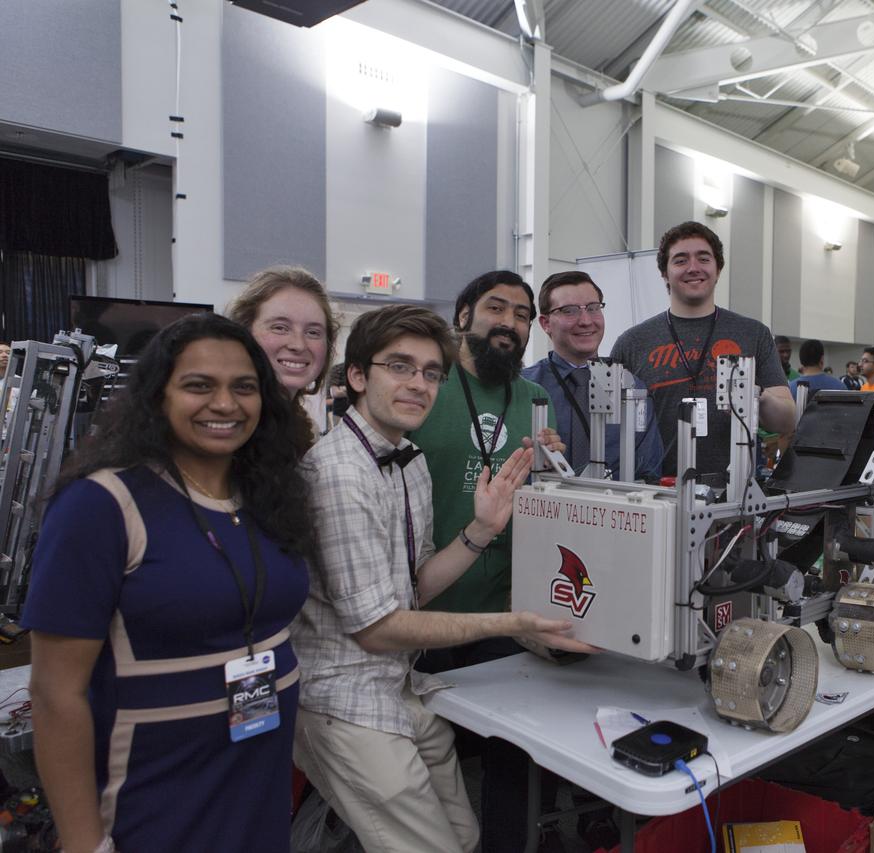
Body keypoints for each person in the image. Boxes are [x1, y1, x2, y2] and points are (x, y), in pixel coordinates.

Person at [291, 304, 591, 853]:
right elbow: (377, 629)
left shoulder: (409, 459)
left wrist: (482, 529)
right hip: (344, 698)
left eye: (431, 373)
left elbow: (416, 589)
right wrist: (514, 622)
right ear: (356, 376)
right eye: (399, 366)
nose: (419, 384)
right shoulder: (338, 475)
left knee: (466, 835)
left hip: (398, 683)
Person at [24, 313, 314, 852]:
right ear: (157, 395)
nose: (225, 404)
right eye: (198, 386)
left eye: (244, 387)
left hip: (259, 783)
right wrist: (86, 844)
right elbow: (55, 693)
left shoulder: (270, 495)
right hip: (155, 796)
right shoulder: (100, 505)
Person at [406, 270, 564, 852]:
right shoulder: (428, 387)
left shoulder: (536, 401)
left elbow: (546, 501)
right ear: (464, 315)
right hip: (420, 609)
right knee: (426, 759)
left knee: (517, 742)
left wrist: (556, 469)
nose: (510, 323)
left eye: (522, 315)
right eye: (496, 308)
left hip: (499, 609)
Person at [610, 221, 795, 477]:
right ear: (664, 273)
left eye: (704, 258)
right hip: (654, 489)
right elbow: (612, 429)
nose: (693, 268)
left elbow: (786, 421)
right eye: (680, 260)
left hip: (735, 490)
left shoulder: (754, 334)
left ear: (718, 269)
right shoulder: (632, 342)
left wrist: (754, 395)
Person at [522, 271, 663, 481]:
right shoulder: (524, 388)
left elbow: (649, 471)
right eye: (569, 311)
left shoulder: (631, 390)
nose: (586, 321)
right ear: (545, 323)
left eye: (593, 308)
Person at [226, 265, 340, 442]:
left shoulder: (304, 429)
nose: (298, 345)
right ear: (243, 332)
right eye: (280, 328)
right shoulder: (225, 425)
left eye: (313, 332)